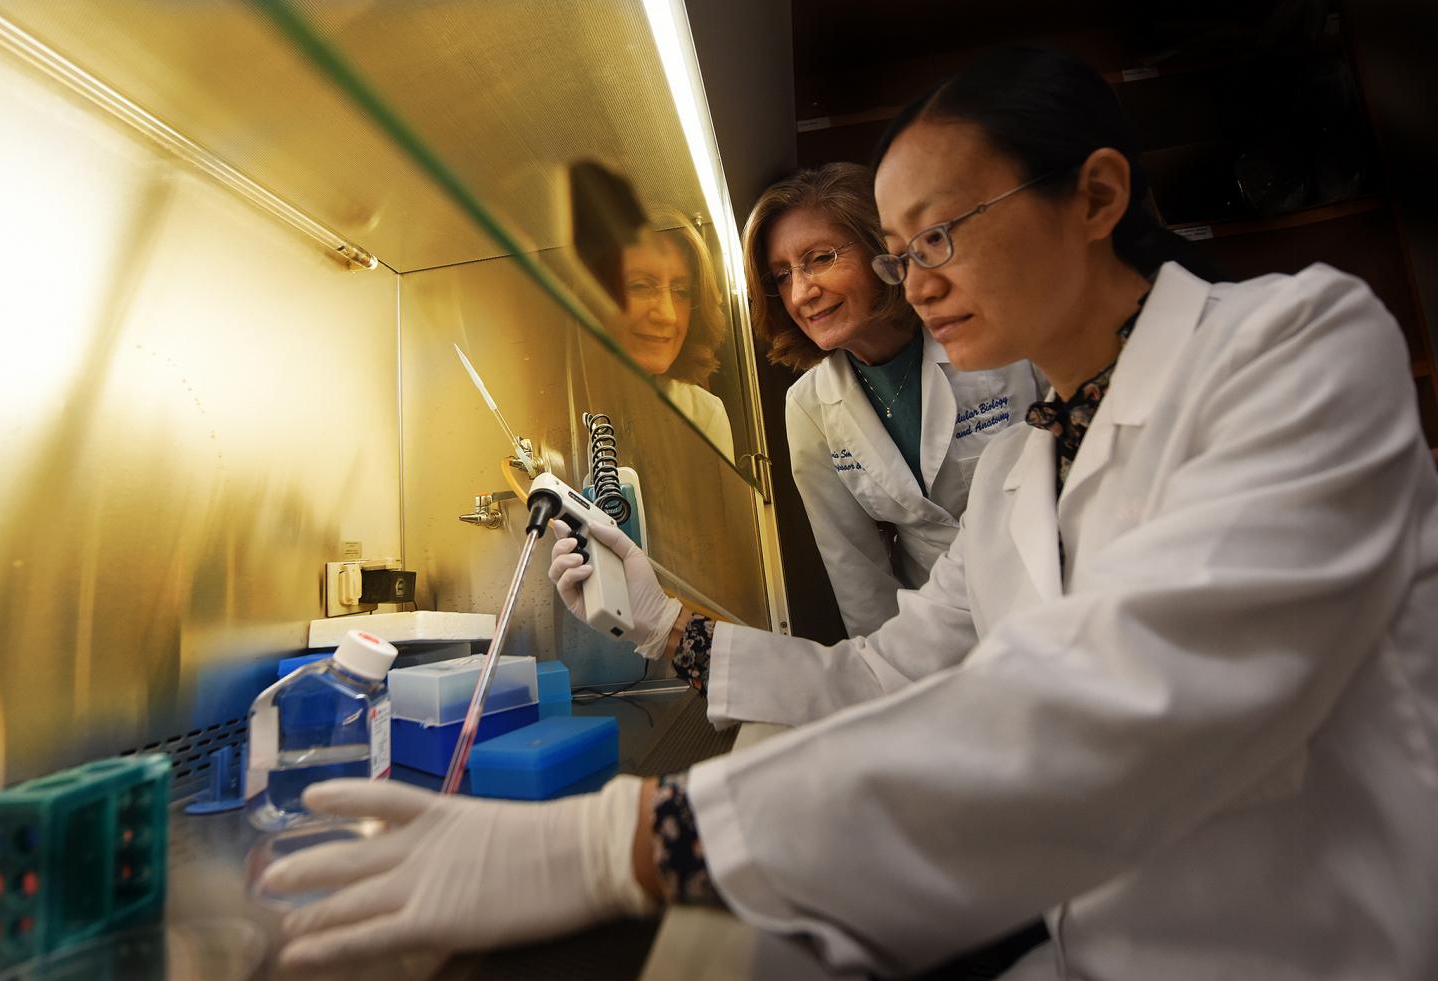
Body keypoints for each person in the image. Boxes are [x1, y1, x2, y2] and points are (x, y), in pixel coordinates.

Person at [263, 47, 1438, 980]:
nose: (915, 278)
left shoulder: (1299, 346)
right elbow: (886, 676)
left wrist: (636, 842)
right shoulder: (1031, 473)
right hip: (1089, 941)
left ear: (1095, 195)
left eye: (942, 233)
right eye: (899, 245)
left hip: (1318, 947)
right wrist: (667, 626)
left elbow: (1135, 695)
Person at [745, 164, 1043, 636]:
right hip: (942, 635)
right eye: (782, 276)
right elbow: (857, 575)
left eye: (820, 258)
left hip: (1055, 592)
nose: (802, 293)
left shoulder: (992, 329)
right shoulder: (808, 406)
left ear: (881, 247)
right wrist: (900, 692)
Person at [612, 210, 735, 458]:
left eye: (681, 291)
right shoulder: (563, 403)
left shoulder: (704, 415)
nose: (668, 315)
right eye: (640, 286)